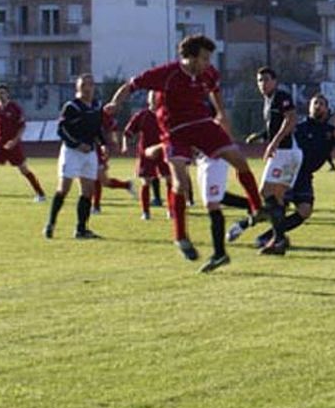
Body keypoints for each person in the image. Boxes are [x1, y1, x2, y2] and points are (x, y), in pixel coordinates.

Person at [104, 33, 263, 262]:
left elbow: (214, 89)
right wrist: (116, 103)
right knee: (179, 180)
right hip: (174, 131)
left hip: (201, 123)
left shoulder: (207, 73)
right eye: (205, 58)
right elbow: (131, 85)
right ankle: (180, 236)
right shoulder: (166, 74)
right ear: (190, 57)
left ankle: (257, 208)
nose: (208, 64)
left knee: (238, 158)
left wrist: (220, 113)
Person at [232, 93, 335, 249]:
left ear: (327, 109)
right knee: (274, 208)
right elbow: (281, 130)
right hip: (290, 171)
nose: (318, 106)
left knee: (305, 211)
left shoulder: (331, 132)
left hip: (305, 176)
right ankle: (243, 225)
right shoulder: (301, 126)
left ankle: (267, 237)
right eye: (315, 103)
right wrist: (260, 136)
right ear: (309, 108)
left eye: (321, 103)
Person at [233, 67, 301, 256]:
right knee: (276, 199)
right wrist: (261, 136)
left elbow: (291, 120)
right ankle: (279, 240)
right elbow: (277, 125)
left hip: (286, 152)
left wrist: (274, 143)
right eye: (259, 80)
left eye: (265, 80)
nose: (262, 84)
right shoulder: (268, 100)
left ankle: (278, 239)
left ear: (275, 81)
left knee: (266, 193)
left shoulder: (281, 96)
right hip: (284, 152)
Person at [43, 74, 103, 240]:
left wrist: (103, 144)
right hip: (72, 152)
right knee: (64, 188)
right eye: (84, 84)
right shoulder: (71, 106)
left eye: (90, 84)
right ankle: (50, 224)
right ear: (78, 87)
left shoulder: (97, 105)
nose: (88, 87)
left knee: (88, 190)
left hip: (90, 152)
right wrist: (77, 144)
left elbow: (97, 128)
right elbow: (61, 130)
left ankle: (81, 229)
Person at [0, 83, 46, 202]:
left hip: (13, 144)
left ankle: (40, 194)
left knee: (23, 169)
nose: (1, 95)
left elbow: (22, 126)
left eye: (3, 92)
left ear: (7, 94)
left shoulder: (15, 108)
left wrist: (14, 141)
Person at [121, 90, 172, 220]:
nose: (154, 98)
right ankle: (146, 212)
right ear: (148, 99)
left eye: (156, 96)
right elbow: (128, 132)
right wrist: (125, 145)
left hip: (164, 151)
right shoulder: (142, 115)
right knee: (146, 181)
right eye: (152, 96)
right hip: (146, 153)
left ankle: (171, 210)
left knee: (169, 179)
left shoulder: (166, 114)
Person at [91, 108, 136, 214]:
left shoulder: (103, 116)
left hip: (98, 149)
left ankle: (96, 207)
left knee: (96, 177)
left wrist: (113, 144)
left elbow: (112, 131)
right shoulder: (80, 111)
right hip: (84, 149)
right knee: (103, 181)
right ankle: (127, 185)